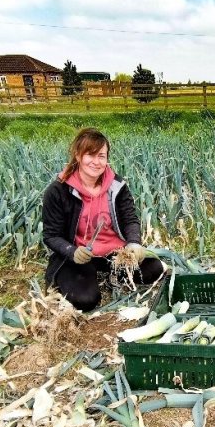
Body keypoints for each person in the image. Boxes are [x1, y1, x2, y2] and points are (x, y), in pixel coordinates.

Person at [42, 128, 164, 311]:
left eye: (101, 156)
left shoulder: (117, 186)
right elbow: (51, 235)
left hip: (114, 254)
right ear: (77, 155)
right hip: (81, 255)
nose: (96, 162)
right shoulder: (58, 191)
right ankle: (84, 275)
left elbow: (130, 218)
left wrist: (134, 243)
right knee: (86, 300)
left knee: (154, 269)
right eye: (90, 155)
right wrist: (71, 251)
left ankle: (111, 274)